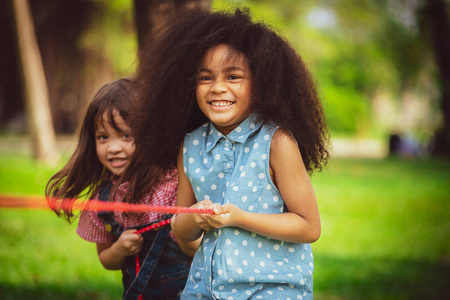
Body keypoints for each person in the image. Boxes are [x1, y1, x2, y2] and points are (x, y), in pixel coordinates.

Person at [124, 8, 330, 300]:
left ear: (261, 82)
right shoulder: (190, 146)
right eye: (205, 78)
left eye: (233, 76)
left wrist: (239, 217)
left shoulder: (276, 142)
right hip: (206, 289)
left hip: (272, 290)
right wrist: (193, 219)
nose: (218, 88)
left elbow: (309, 226)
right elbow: (182, 230)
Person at [45, 78, 197, 300]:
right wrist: (119, 250)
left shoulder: (172, 180)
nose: (114, 148)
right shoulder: (103, 202)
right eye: (103, 137)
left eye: (126, 135)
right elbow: (106, 259)